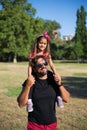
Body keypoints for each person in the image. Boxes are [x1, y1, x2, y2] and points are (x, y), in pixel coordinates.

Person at [17, 55, 70, 130]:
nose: (43, 66)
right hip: (34, 125)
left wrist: (59, 84)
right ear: (34, 69)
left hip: (51, 124)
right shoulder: (30, 80)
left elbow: (67, 99)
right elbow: (21, 104)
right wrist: (28, 86)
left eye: (45, 63)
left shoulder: (53, 78)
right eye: (39, 65)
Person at [27, 32, 61, 111]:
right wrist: (29, 75)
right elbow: (29, 66)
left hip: (45, 71)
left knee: (55, 81)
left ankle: (58, 96)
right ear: (37, 43)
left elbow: (51, 65)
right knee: (31, 85)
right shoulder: (33, 53)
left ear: (47, 45)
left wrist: (55, 73)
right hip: (35, 72)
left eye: (45, 43)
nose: (42, 45)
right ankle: (29, 101)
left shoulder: (46, 53)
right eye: (41, 43)